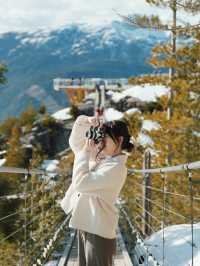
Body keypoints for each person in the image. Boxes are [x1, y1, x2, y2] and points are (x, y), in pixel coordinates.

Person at [60, 114, 134, 266]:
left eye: (105, 138)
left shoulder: (116, 168)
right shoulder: (105, 161)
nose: (101, 142)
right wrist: (87, 121)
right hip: (87, 226)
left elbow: (81, 183)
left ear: (119, 140)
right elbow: (75, 144)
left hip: (99, 231)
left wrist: (86, 153)